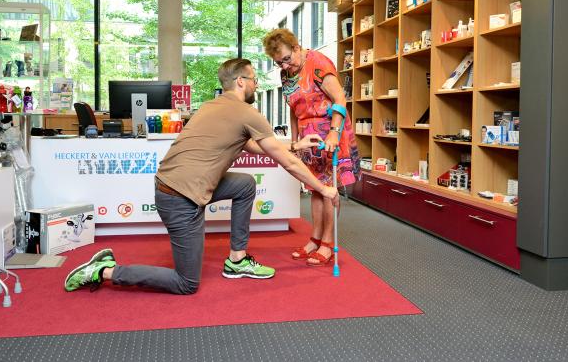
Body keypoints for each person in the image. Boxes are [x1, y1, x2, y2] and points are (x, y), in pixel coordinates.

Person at [64, 58, 339, 295]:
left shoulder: (212, 106)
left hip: (176, 187)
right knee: (186, 283)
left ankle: (237, 259)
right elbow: (288, 163)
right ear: (241, 82)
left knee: (244, 185)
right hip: (179, 198)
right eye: (254, 79)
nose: (257, 85)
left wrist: (296, 144)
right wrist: (323, 189)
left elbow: (253, 145)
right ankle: (105, 271)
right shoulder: (246, 112)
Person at [263, 28, 359, 266]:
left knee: (328, 189)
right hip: (308, 138)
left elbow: (340, 99)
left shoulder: (318, 63)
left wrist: (335, 132)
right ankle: (314, 240)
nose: (284, 66)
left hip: (330, 133)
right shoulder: (286, 75)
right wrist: (295, 144)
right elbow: (294, 111)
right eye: (278, 63)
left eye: (287, 59)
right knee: (316, 188)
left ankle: (327, 244)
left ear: (296, 47)